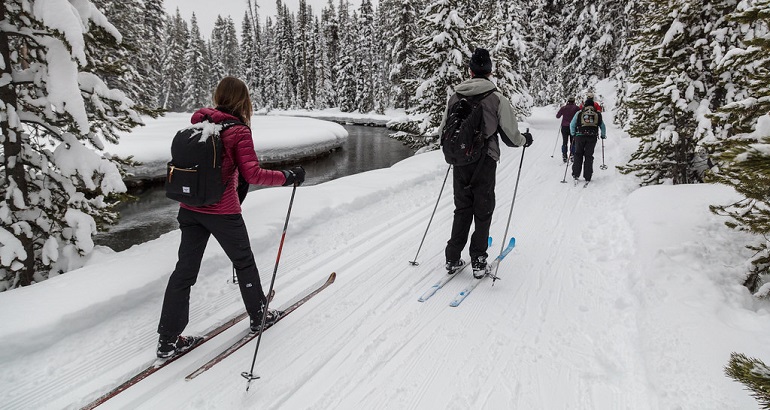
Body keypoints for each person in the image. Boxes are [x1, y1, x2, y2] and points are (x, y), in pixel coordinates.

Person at [156, 76, 306, 359]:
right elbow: (253, 174)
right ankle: (259, 316)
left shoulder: (200, 125)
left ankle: (167, 340)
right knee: (244, 262)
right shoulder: (238, 131)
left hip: (189, 209)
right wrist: (288, 177)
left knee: (184, 272)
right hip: (223, 211)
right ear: (242, 100)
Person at [438, 48, 532, 279]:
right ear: (490, 71)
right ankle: (478, 260)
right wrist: (524, 141)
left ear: (470, 71)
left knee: (462, 208)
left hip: (459, 161)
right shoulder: (497, 98)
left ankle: (452, 258)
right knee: (483, 209)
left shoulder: (455, 96)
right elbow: (511, 137)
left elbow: (442, 132)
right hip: (485, 159)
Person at [570, 95, 606, 183]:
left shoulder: (579, 113)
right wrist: (603, 135)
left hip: (579, 136)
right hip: (592, 137)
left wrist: (573, 133)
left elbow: (572, 124)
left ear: (584, 105)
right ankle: (588, 176)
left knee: (578, 154)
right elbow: (602, 126)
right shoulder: (597, 114)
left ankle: (576, 174)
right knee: (589, 156)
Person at [555, 97, 580, 162]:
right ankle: (572, 155)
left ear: (568, 101)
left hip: (564, 127)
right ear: (574, 101)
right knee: (573, 142)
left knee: (564, 141)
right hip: (573, 127)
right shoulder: (577, 108)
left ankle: (564, 155)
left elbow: (557, 116)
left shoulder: (564, 108)